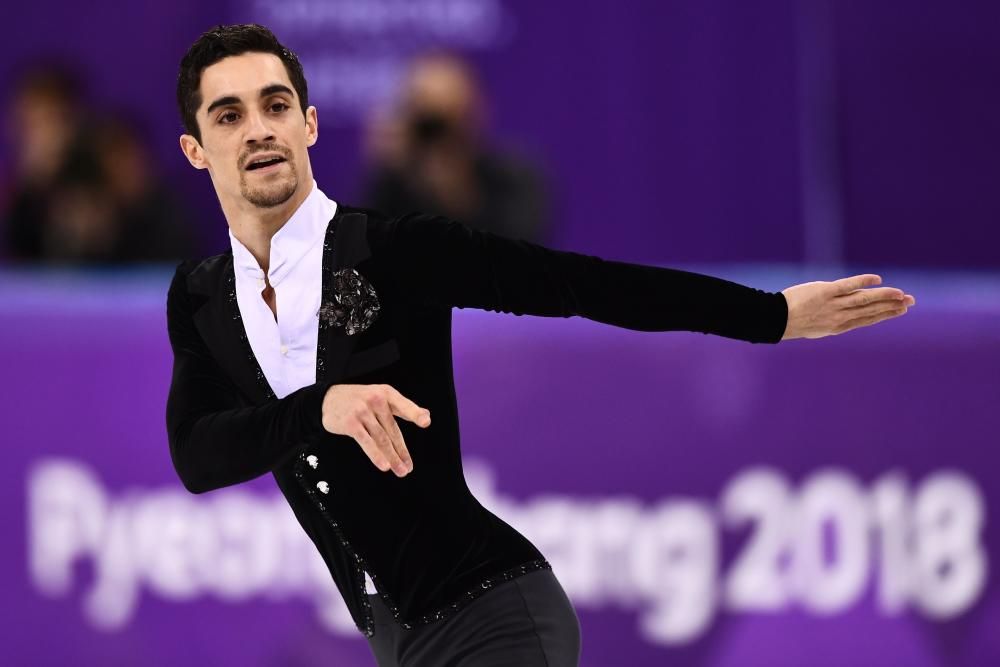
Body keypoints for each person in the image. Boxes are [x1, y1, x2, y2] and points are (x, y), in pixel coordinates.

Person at [166, 24, 915, 667]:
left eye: (276, 105)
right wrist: (319, 407)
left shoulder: (393, 250)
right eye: (229, 115)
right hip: (399, 642)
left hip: (494, 611)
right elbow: (200, 458)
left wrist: (771, 314)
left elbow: (578, 284)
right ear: (197, 150)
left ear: (311, 125)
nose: (259, 128)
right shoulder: (200, 298)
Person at [361, 52, 550, 244]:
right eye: (426, 121)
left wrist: (452, 184)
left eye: (445, 120)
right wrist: (385, 167)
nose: (437, 134)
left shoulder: (515, 179)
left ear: (475, 113)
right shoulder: (393, 183)